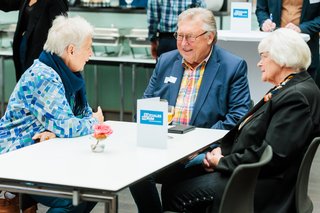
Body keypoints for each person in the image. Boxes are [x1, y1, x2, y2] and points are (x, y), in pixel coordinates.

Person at [160, 28, 320, 213]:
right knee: (176, 178)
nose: (259, 63)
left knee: (175, 191)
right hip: (254, 175)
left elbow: (273, 156)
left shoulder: (296, 97)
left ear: (281, 58)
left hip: (259, 185)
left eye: (264, 56)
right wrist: (224, 150)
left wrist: (221, 162)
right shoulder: (291, 87)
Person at [129, 7, 251, 213]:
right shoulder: (167, 61)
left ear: (209, 37)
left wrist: (200, 143)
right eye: (179, 35)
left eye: (190, 37)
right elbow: (147, 103)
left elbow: (238, 115)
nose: (183, 43)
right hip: (165, 147)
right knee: (135, 171)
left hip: (201, 152)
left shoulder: (232, 67)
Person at [0, 15, 104, 212]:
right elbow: (71, 126)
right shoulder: (43, 76)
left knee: (96, 186)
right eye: (88, 47)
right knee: (75, 199)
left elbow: (75, 119)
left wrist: (56, 131)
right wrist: (94, 121)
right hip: (16, 158)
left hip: (41, 154)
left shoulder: (69, 74)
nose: (91, 53)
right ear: (71, 50)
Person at [0, 0, 68, 82]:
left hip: (41, 54)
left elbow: (60, 31)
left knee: (36, 87)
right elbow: (8, 4)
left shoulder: (57, 2)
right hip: (23, 48)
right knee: (24, 85)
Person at [255, 0, 320, 80]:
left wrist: (302, 28)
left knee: (305, 84)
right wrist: (264, 21)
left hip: (306, 46)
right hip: (276, 45)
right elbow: (261, 10)